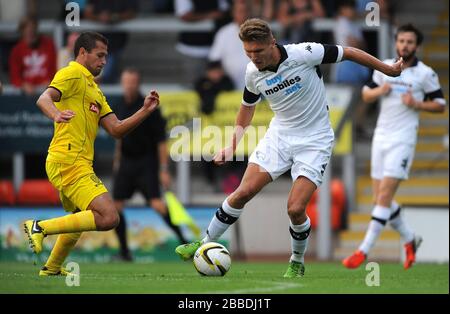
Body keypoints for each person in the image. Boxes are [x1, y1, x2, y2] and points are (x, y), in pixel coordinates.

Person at [175, 18, 403, 278]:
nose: (254, 57)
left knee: (295, 208)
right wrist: (231, 145)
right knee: (242, 192)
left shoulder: (304, 53)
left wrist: (387, 68)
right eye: (248, 52)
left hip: (315, 140)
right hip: (279, 136)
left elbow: (348, 52)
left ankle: (296, 259)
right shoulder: (252, 73)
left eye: (258, 51)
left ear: (272, 41)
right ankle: (203, 243)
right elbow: (246, 109)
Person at [23, 31, 160, 276]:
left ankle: (52, 267)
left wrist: (144, 111)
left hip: (77, 162)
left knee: (79, 217)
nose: (104, 61)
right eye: (100, 55)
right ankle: (38, 227)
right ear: (83, 52)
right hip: (68, 160)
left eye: (106, 56)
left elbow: (117, 129)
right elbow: (44, 98)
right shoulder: (71, 73)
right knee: (109, 217)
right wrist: (55, 114)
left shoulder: (95, 91)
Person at [342, 24, 446, 270]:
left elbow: (440, 104)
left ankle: (363, 250)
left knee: (385, 196)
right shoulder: (385, 67)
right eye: (401, 41)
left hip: (403, 139)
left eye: (410, 42)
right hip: (381, 136)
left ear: (416, 46)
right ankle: (410, 238)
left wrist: (418, 104)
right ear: (396, 43)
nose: (405, 46)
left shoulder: (425, 73)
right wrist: (382, 90)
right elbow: (366, 95)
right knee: (382, 199)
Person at [112, 68, 188, 261]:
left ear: (138, 83)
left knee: (157, 205)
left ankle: (185, 244)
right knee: (115, 208)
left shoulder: (150, 107)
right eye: (126, 81)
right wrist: (117, 160)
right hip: (126, 163)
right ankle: (124, 252)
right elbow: (118, 136)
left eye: (132, 82)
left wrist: (163, 169)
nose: (129, 85)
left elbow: (161, 141)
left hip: (146, 162)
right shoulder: (118, 104)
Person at [8, 16, 57, 96]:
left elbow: (54, 67)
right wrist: (23, 85)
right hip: (25, 94)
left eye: (32, 30)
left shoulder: (48, 45)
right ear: (22, 32)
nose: (30, 33)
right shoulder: (17, 50)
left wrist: (50, 81)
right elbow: (15, 76)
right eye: (26, 31)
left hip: (48, 92)